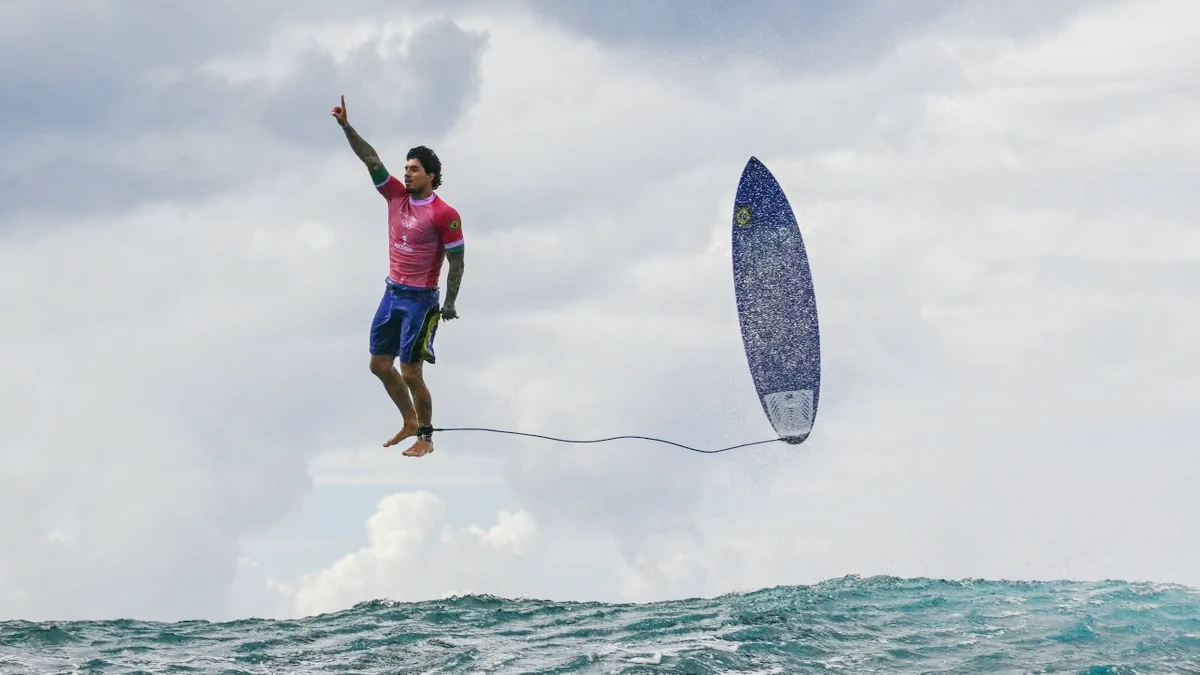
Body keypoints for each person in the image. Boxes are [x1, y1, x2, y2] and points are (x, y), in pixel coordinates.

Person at [331, 95, 465, 458]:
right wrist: (346, 126)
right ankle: (408, 420)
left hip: (421, 301)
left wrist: (449, 303)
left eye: (414, 169)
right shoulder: (394, 196)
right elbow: (371, 159)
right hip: (392, 293)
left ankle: (426, 436)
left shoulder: (444, 213)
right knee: (378, 364)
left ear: (431, 176)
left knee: (410, 372)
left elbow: (457, 261)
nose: (407, 173)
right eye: (406, 168)